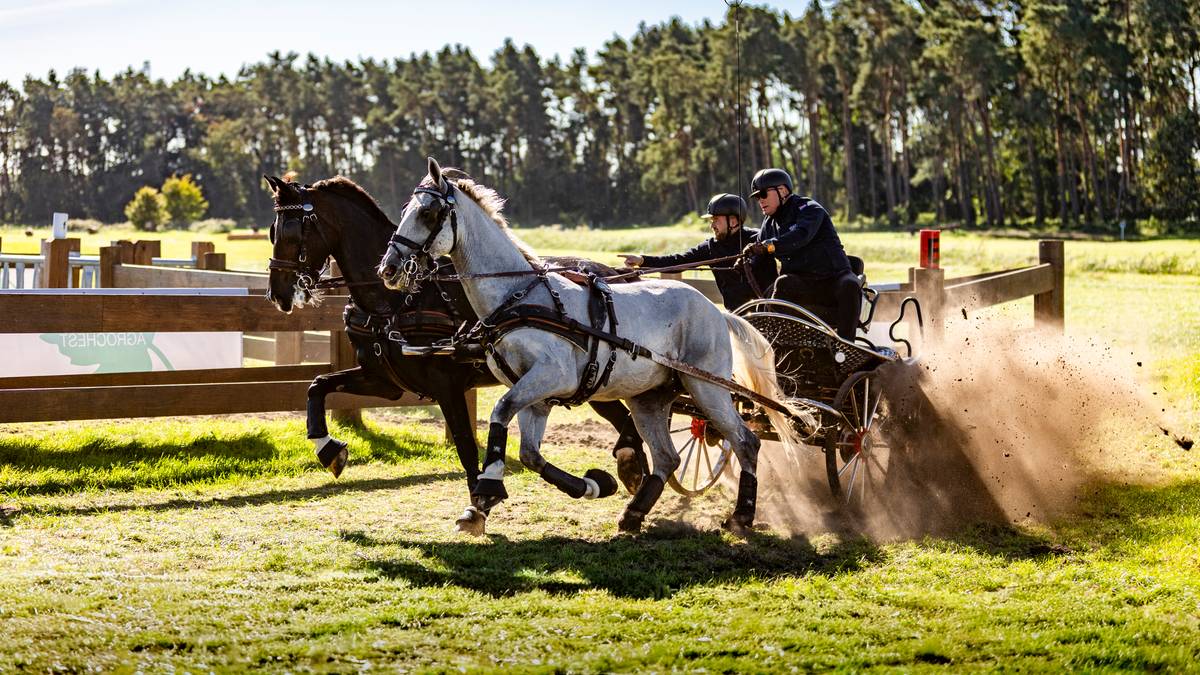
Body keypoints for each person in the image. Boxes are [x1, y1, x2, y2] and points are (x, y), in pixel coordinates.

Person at [742, 168, 862, 341]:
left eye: (763, 194)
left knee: (850, 285)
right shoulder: (767, 226)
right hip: (804, 286)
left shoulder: (809, 209)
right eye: (757, 197)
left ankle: (845, 345)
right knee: (783, 283)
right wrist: (745, 262)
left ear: (782, 190)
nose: (760, 200)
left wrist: (768, 246)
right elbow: (758, 262)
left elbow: (801, 235)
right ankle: (781, 342)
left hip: (834, 279)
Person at [620, 193, 776, 311]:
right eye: (711, 221)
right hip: (737, 317)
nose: (712, 225)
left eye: (716, 220)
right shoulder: (710, 247)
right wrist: (643, 260)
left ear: (733, 221)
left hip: (769, 312)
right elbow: (678, 261)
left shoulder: (759, 238)